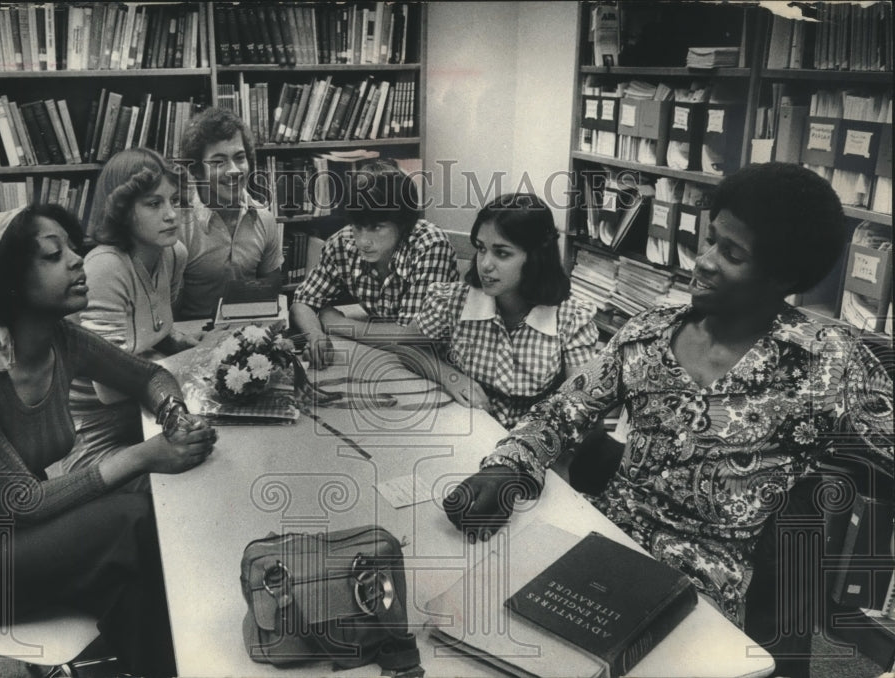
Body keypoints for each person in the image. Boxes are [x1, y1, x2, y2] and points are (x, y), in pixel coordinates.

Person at [443, 164, 893, 673]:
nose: (702, 263)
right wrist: (507, 465)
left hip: (701, 588)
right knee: (477, 631)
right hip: (604, 540)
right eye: (710, 240)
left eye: (732, 253)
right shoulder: (649, 332)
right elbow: (560, 413)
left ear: (784, 276)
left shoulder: (827, 362)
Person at [0, 204, 217, 677]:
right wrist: (145, 456)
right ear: (7, 282)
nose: (79, 260)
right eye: (54, 255)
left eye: (73, 248)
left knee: (139, 553)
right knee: (135, 516)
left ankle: (173, 665)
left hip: (28, 538)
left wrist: (174, 416)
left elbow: (148, 376)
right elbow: (25, 502)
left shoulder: (63, 340)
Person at [398, 193, 599, 428]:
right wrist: (451, 378)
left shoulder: (572, 318)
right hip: (464, 427)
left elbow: (581, 407)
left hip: (534, 441)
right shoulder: (452, 301)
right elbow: (407, 347)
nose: (485, 264)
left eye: (502, 253)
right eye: (481, 249)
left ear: (536, 258)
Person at [62, 148, 198, 480]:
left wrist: (196, 349)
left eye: (175, 201)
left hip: (147, 410)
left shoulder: (173, 254)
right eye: (154, 204)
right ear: (121, 211)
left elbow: (159, 330)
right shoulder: (105, 267)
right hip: (99, 433)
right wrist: (193, 369)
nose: (171, 215)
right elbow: (108, 389)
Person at [290, 159, 460, 368]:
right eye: (358, 226)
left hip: (442, 363)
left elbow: (414, 337)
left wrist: (339, 324)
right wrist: (315, 335)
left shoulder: (431, 245)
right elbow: (302, 300)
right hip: (386, 355)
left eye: (377, 227)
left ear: (403, 223)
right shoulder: (342, 242)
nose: (363, 241)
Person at [176, 106, 283, 318]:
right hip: (192, 338)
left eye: (240, 157)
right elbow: (168, 314)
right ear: (197, 170)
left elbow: (270, 296)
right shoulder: (178, 225)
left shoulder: (265, 219)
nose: (233, 170)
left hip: (248, 333)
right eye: (218, 162)